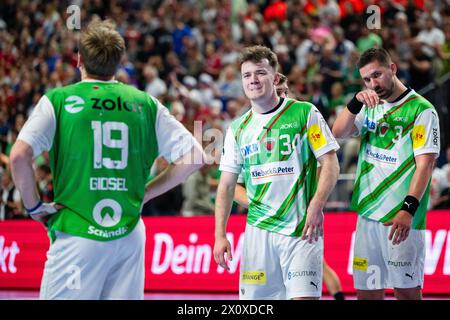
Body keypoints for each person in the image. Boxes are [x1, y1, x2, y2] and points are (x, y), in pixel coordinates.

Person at [9, 19, 204, 300]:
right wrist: (145, 194)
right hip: (129, 234)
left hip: (77, 232)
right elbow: (196, 157)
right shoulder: (145, 103)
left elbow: (18, 156)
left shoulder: (59, 100)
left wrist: (34, 206)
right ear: (118, 62)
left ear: (79, 60)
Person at [214, 45, 340, 300]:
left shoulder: (304, 113)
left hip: (302, 230)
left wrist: (317, 204)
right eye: (247, 75)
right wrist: (219, 235)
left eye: (260, 73)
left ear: (275, 77)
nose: (253, 80)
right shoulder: (237, 129)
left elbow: (330, 162)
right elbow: (227, 186)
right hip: (258, 235)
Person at [332, 48, 440, 300]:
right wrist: (356, 101)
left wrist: (408, 209)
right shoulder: (369, 104)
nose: (373, 84)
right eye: (367, 79)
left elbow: (425, 165)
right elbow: (338, 131)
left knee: (406, 292)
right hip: (367, 216)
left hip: (401, 219)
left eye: (377, 75)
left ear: (392, 69)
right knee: (367, 293)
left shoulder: (421, 110)